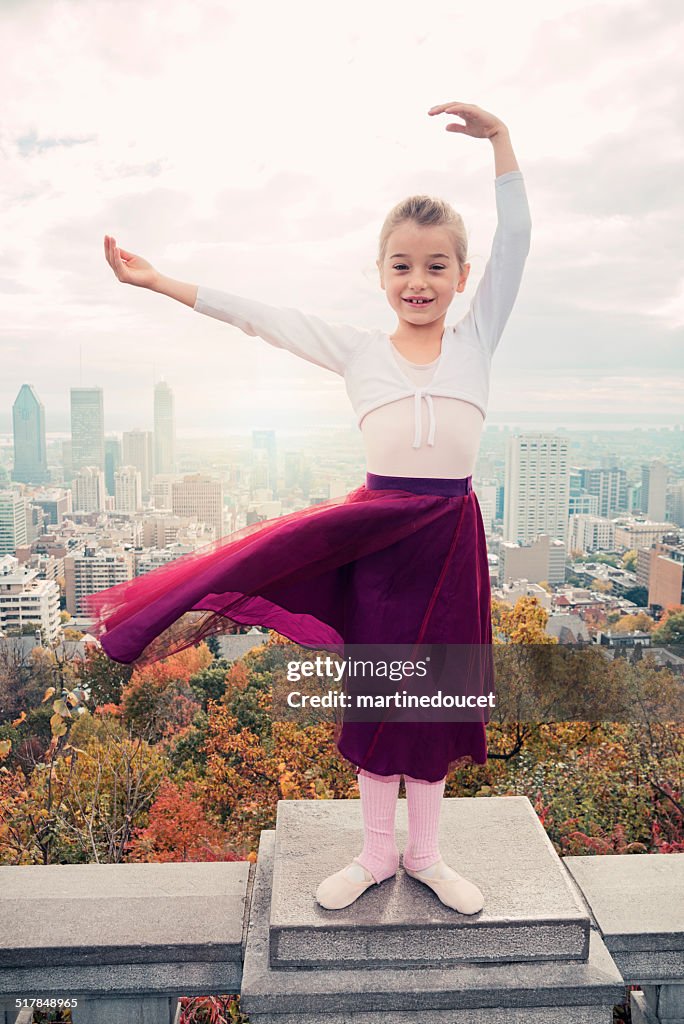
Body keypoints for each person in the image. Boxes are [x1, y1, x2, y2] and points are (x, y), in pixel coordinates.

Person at [91, 102, 531, 916]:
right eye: (402, 266)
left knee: (434, 701)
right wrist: (162, 283)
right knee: (376, 696)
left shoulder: (477, 340)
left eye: (437, 267)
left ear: (463, 279)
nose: (419, 282)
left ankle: (427, 855)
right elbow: (265, 319)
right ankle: (373, 855)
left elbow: (518, 243)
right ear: (381, 276)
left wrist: (502, 144)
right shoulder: (359, 351)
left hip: (452, 542)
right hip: (377, 538)